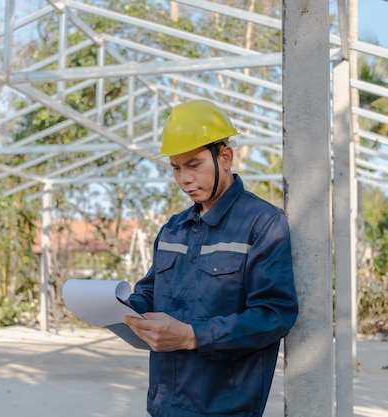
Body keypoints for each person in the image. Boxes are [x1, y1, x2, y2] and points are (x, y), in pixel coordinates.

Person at [124, 99, 298, 417]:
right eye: (176, 168)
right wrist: (124, 308)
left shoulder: (262, 224)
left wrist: (193, 336)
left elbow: (274, 315)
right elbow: (150, 291)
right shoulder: (173, 229)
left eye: (193, 165)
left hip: (224, 406)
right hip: (165, 403)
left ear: (225, 157)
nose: (184, 179)